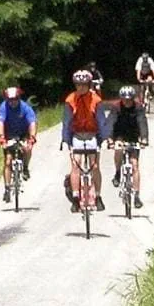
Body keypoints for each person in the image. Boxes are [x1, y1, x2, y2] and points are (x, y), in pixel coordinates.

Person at [60, 69, 106, 212]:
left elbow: (101, 121)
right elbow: (66, 122)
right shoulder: (70, 100)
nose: (80, 88)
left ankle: (98, 197)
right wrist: (66, 140)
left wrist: (102, 140)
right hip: (77, 135)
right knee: (76, 165)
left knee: (95, 165)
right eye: (78, 85)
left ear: (89, 85)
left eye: (84, 85)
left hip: (92, 134)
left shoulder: (96, 100)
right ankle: (75, 198)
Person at [102, 85, 151, 208]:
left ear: (133, 99)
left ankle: (137, 196)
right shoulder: (116, 107)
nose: (127, 101)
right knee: (118, 150)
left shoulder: (138, 108)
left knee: (134, 165)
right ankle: (118, 172)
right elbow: (111, 122)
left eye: (129, 99)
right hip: (119, 135)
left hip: (133, 136)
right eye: (124, 99)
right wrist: (109, 138)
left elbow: (142, 122)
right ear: (121, 99)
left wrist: (144, 138)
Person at [0, 86, 38, 202]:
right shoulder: (3, 107)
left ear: (19, 98)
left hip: (23, 133)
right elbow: (1, 123)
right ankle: (7, 188)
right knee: (8, 160)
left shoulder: (25, 108)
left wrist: (32, 138)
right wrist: (1, 137)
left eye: (15, 99)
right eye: (10, 100)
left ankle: (25, 168)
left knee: (27, 149)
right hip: (9, 134)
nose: (12, 102)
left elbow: (32, 123)